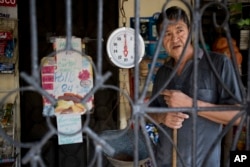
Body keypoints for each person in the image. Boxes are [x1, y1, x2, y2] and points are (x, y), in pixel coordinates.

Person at [148, 5, 243, 167]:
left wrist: (190, 104)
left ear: (190, 30)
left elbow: (239, 116)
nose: (175, 38)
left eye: (179, 30)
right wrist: (162, 117)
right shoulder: (163, 73)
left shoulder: (218, 64)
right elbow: (150, 113)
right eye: (167, 34)